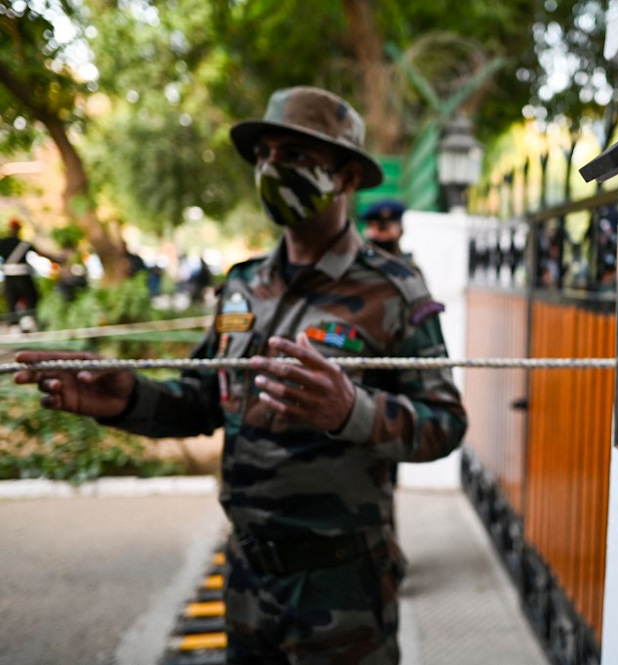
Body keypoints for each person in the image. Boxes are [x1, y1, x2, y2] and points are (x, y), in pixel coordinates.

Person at [14, 86, 467, 664]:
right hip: (248, 578)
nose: (272, 168)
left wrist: (351, 411)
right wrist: (125, 398)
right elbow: (202, 399)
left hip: (343, 584)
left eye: (296, 155)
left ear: (348, 177)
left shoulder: (395, 289)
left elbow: (445, 423)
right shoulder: (243, 284)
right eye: (264, 154)